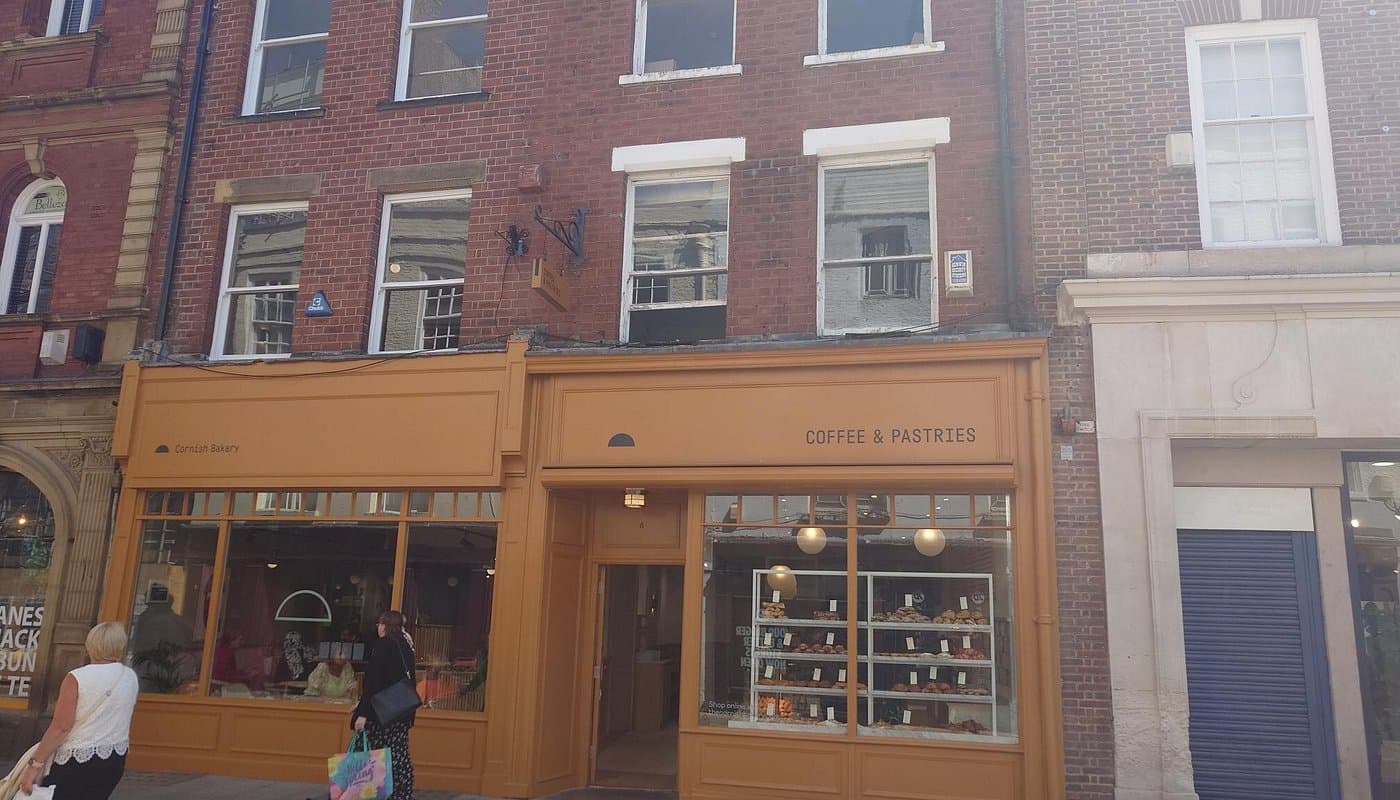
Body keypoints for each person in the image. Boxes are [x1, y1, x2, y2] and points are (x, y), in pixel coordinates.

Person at [21, 622, 139, 799]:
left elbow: (61, 727)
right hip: (114, 758)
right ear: (120, 646)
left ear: (90, 644)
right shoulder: (129, 677)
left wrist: (35, 765)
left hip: (76, 761)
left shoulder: (77, 677)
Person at [353, 611, 415, 799]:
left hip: (380, 713)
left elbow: (374, 680)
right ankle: (399, 793)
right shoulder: (405, 644)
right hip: (400, 709)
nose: (378, 627)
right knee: (397, 754)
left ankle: (365, 793)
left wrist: (362, 712)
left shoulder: (384, 644)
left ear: (385, 625)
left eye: (380, 623)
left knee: (370, 755)